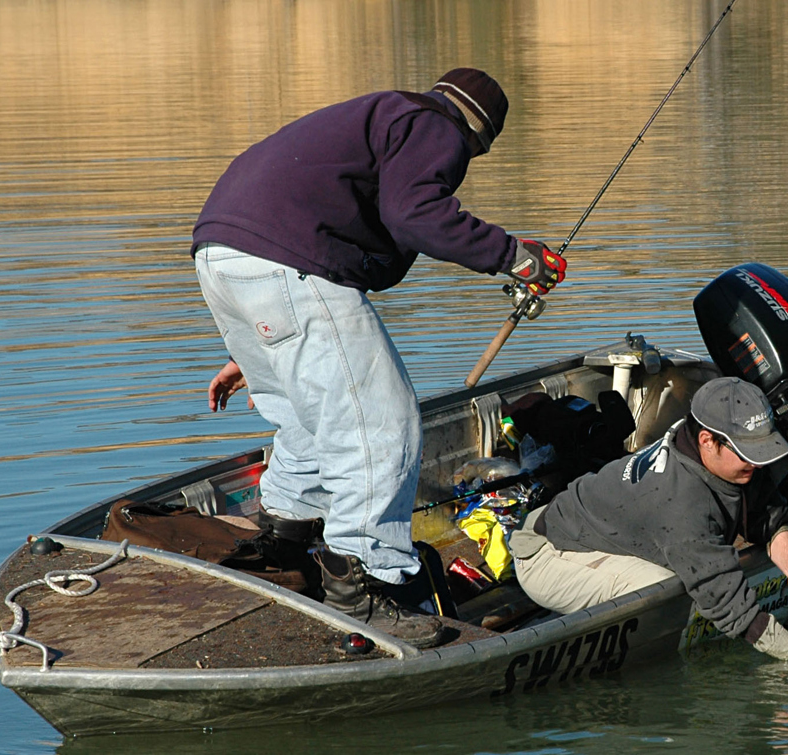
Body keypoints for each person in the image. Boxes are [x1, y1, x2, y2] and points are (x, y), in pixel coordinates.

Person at [192, 68, 566, 649]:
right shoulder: (435, 126)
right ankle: (366, 586)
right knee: (379, 425)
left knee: (307, 416)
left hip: (221, 253)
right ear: (480, 135)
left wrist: (264, 344)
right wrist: (515, 256)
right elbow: (416, 215)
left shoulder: (379, 117)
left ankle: (284, 541)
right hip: (288, 261)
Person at [511, 377, 788, 661]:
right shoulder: (684, 504)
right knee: (669, 590)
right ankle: (560, 625)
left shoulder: (717, 454)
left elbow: (773, 519)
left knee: (684, 569)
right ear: (707, 440)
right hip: (546, 554)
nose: (758, 464)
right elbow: (733, 611)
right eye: (750, 453)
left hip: (594, 526)